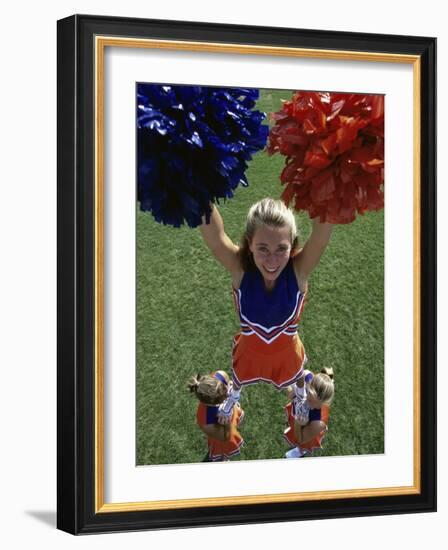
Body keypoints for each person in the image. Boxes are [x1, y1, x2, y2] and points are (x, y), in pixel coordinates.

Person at [199, 198, 333, 422]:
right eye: (263, 248)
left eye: (281, 248)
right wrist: (197, 191)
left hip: (287, 352)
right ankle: (233, 398)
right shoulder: (240, 269)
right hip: (250, 350)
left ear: (292, 244)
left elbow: (320, 238)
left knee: (298, 375)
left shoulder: (298, 272)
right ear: (249, 244)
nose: (272, 260)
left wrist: (329, 190)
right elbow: (215, 238)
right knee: (239, 377)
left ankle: (299, 396)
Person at [188, 370, 244, 462]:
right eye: (225, 397)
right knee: (222, 455)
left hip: (231, 414)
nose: (228, 396)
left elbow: (229, 383)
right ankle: (223, 459)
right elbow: (226, 437)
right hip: (223, 433)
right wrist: (227, 423)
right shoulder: (206, 421)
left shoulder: (220, 375)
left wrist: (231, 388)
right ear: (214, 403)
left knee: (236, 422)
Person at [283, 367, 335, 458]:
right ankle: (291, 426)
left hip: (306, 430)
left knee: (303, 445)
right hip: (298, 418)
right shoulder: (307, 378)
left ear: (324, 403)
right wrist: (293, 390)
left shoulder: (319, 423)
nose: (308, 403)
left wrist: (297, 423)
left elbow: (301, 439)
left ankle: (300, 452)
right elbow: (290, 392)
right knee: (290, 425)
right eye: (309, 396)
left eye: (313, 403)